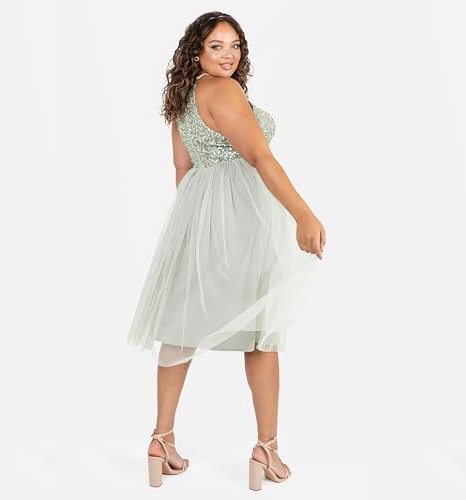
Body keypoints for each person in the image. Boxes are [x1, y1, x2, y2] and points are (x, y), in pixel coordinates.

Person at [127, 11, 326, 490]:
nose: (228, 55)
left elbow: (182, 170)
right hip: (244, 218)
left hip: (199, 216)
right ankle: (266, 449)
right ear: (196, 50)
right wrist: (303, 214)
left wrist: (199, 229)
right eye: (216, 46)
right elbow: (259, 156)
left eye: (235, 45)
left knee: (181, 326)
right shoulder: (225, 91)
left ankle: (161, 438)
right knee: (262, 329)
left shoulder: (182, 98)